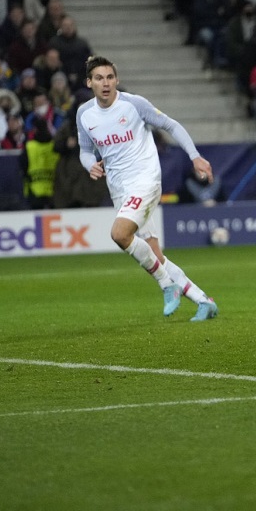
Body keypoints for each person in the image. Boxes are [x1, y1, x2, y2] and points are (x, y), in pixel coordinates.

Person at [76, 55, 218, 321]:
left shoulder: (134, 104)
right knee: (155, 255)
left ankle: (168, 286)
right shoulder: (85, 113)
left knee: (119, 234)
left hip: (146, 181)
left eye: (109, 77)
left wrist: (195, 156)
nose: (105, 83)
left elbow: (171, 125)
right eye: (99, 78)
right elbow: (85, 150)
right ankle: (203, 301)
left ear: (116, 79)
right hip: (119, 190)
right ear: (89, 83)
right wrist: (89, 165)